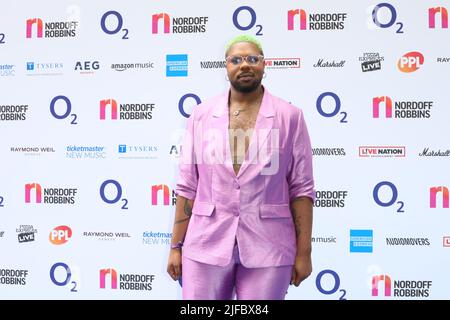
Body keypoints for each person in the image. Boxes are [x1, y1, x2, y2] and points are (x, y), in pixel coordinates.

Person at [167, 35, 315, 300]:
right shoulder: (201, 115)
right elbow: (187, 184)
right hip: (205, 245)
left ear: (264, 65)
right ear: (226, 67)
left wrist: (304, 253)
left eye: (252, 59)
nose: (244, 65)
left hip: (269, 247)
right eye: (236, 59)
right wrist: (176, 246)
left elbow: (301, 188)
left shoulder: (290, 117)